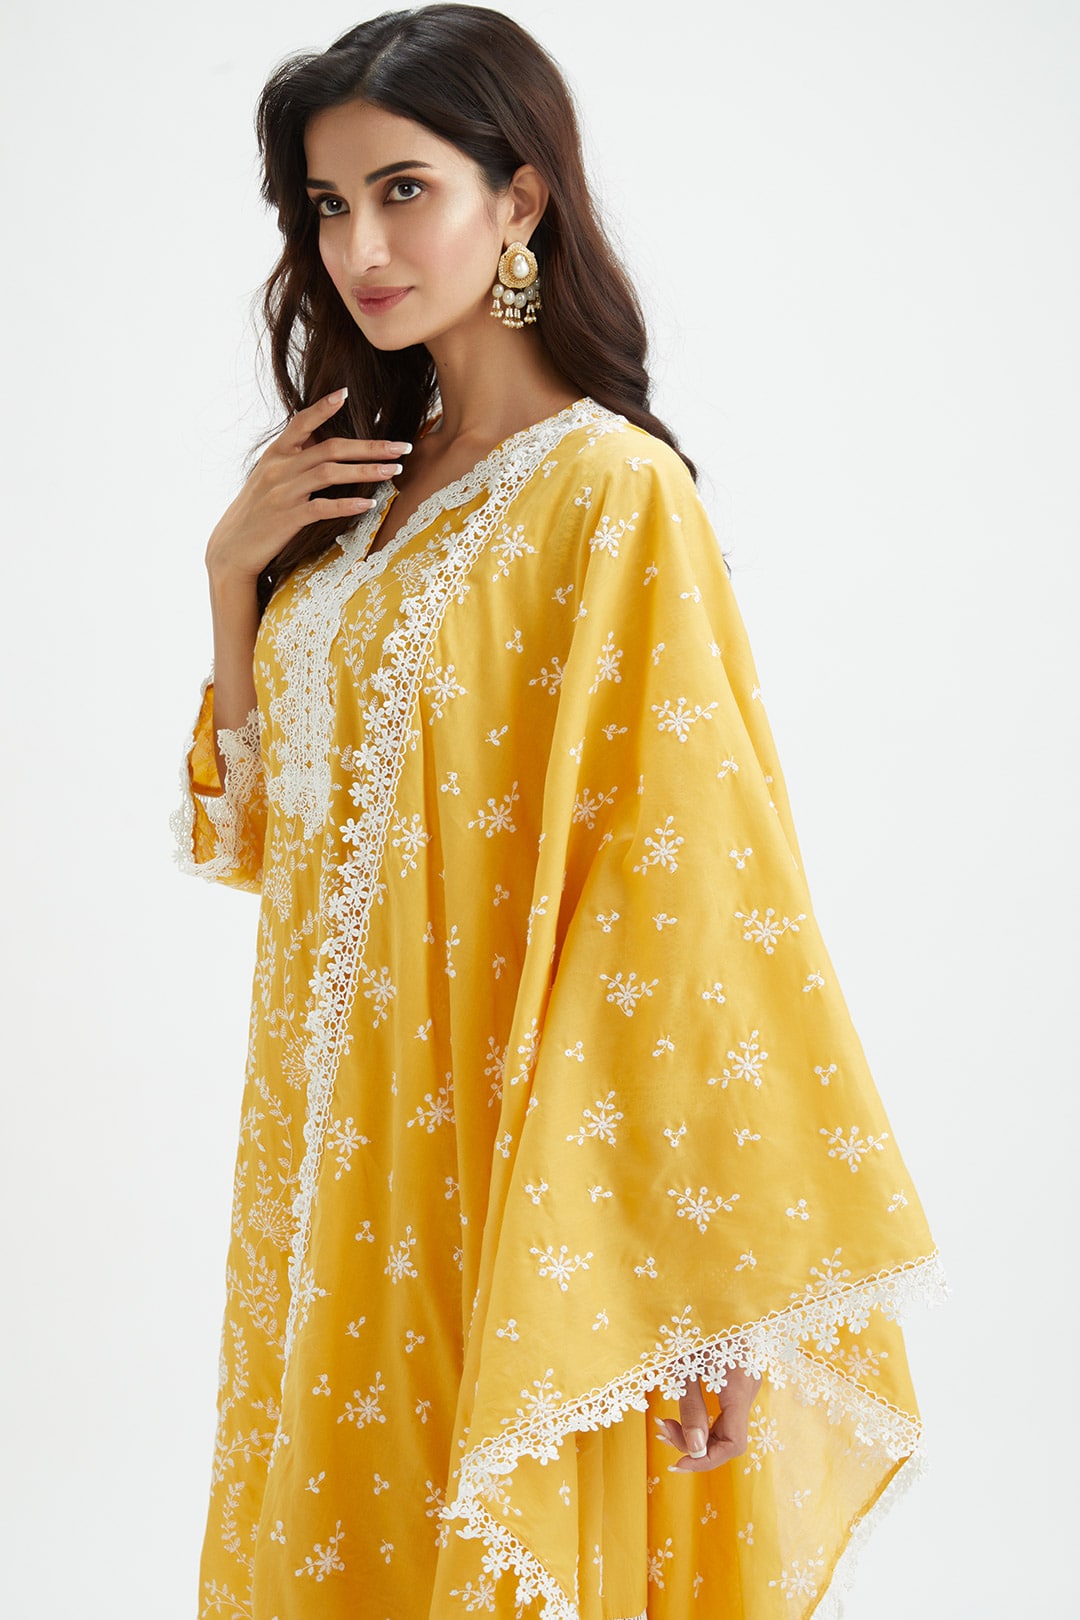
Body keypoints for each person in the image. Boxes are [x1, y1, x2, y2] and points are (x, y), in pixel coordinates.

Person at [172, 7, 948, 1616]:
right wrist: (233, 583)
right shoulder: (355, 500)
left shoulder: (608, 492)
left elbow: (692, 883)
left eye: (404, 190)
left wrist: (710, 1283)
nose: (361, 248)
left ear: (518, 198)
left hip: (502, 1150)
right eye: (328, 205)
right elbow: (259, 844)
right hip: (325, 1156)